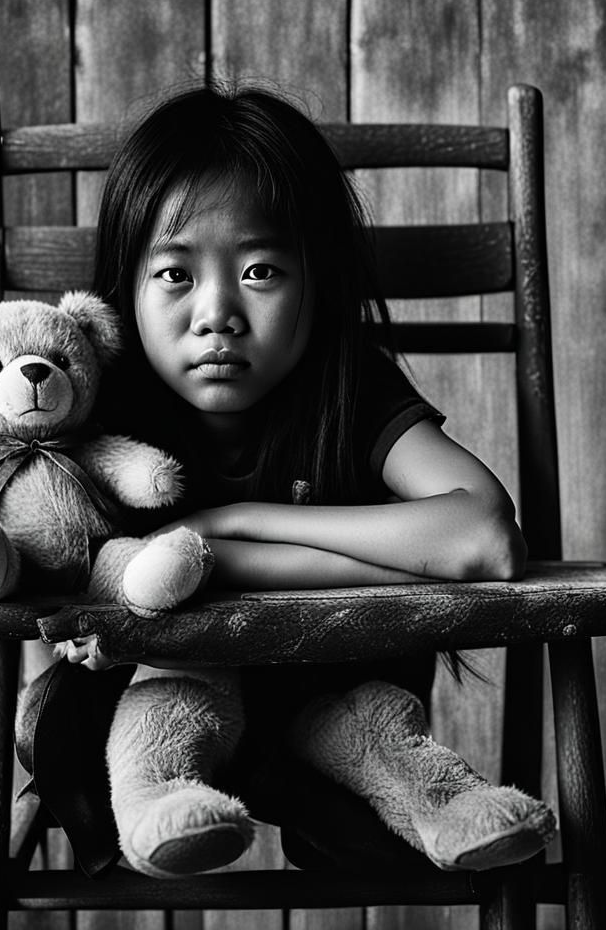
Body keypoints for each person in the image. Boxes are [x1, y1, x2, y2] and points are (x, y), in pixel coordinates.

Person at [27, 82, 555, 879]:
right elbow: (58, 570)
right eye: (173, 273)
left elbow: (483, 539)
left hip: (333, 709)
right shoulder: (105, 406)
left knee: (367, 740)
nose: (216, 313)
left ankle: (423, 810)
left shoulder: (347, 387)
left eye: (262, 269)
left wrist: (232, 529)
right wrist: (314, 558)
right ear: (124, 286)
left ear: (318, 281)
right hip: (149, 727)